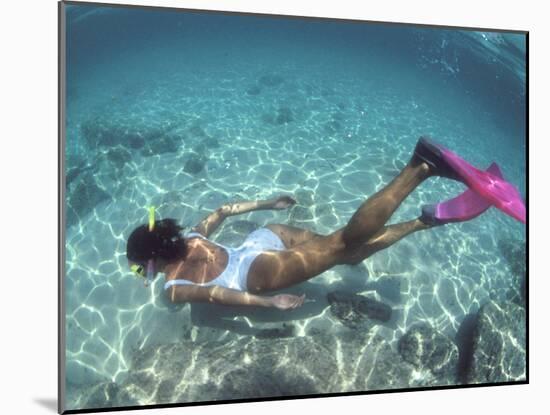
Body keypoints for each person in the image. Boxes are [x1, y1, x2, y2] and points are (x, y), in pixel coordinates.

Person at [126, 137, 526, 311]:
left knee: (342, 244)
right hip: (263, 239)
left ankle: (420, 167)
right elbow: (226, 209)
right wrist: (271, 203)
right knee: (347, 254)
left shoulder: (175, 290)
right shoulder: (193, 233)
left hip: (255, 272)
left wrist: (268, 302)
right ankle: (424, 221)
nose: (145, 273)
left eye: (140, 268)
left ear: (151, 261)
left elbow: (218, 297)